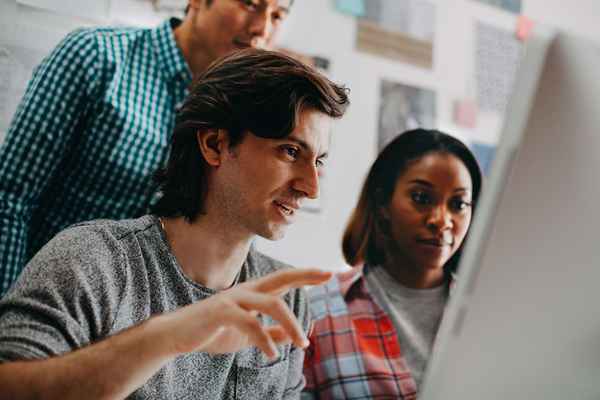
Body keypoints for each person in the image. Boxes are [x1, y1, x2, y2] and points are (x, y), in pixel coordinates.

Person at [0, 48, 350, 399]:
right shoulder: (91, 261)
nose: (311, 187)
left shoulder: (285, 300)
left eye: (318, 160)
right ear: (215, 144)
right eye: (290, 151)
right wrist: (167, 338)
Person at [0, 0, 294, 295]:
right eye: (251, 4)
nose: (262, 29)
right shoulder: (96, 56)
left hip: (140, 329)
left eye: (278, 15)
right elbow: (10, 198)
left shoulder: (247, 116)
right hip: (45, 304)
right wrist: (11, 313)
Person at [302, 129, 483, 399]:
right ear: (383, 203)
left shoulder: (489, 310)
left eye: (458, 204)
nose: (442, 220)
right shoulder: (314, 311)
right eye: (421, 198)